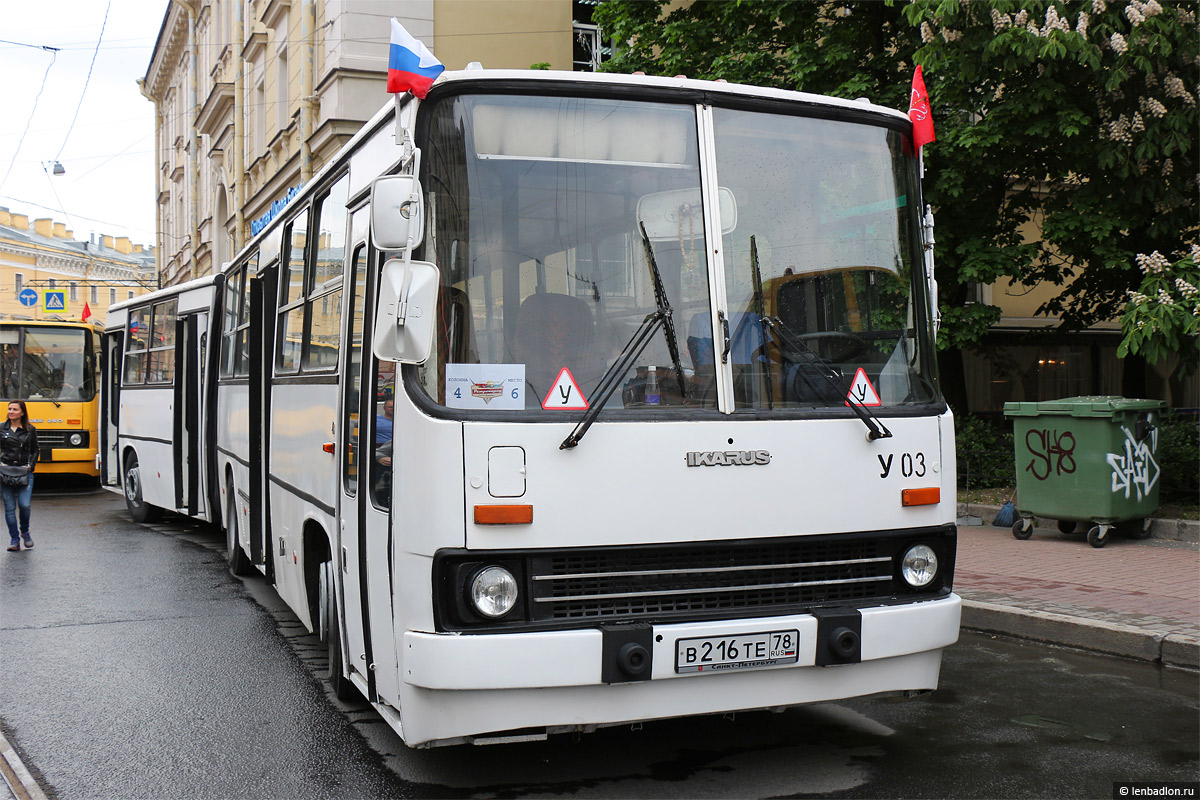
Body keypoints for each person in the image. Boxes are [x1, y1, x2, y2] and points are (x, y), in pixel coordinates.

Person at [1, 401, 38, 551]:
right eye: (10, 409)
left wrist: (30, 466)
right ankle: (14, 539)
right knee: (9, 508)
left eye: (15, 409)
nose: (11, 411)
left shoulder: (30, 429)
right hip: (5, 472)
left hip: (24, 472)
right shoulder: (1, 428)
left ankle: (25, 531)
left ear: (22, 412)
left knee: (25, 505)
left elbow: (35, 450)